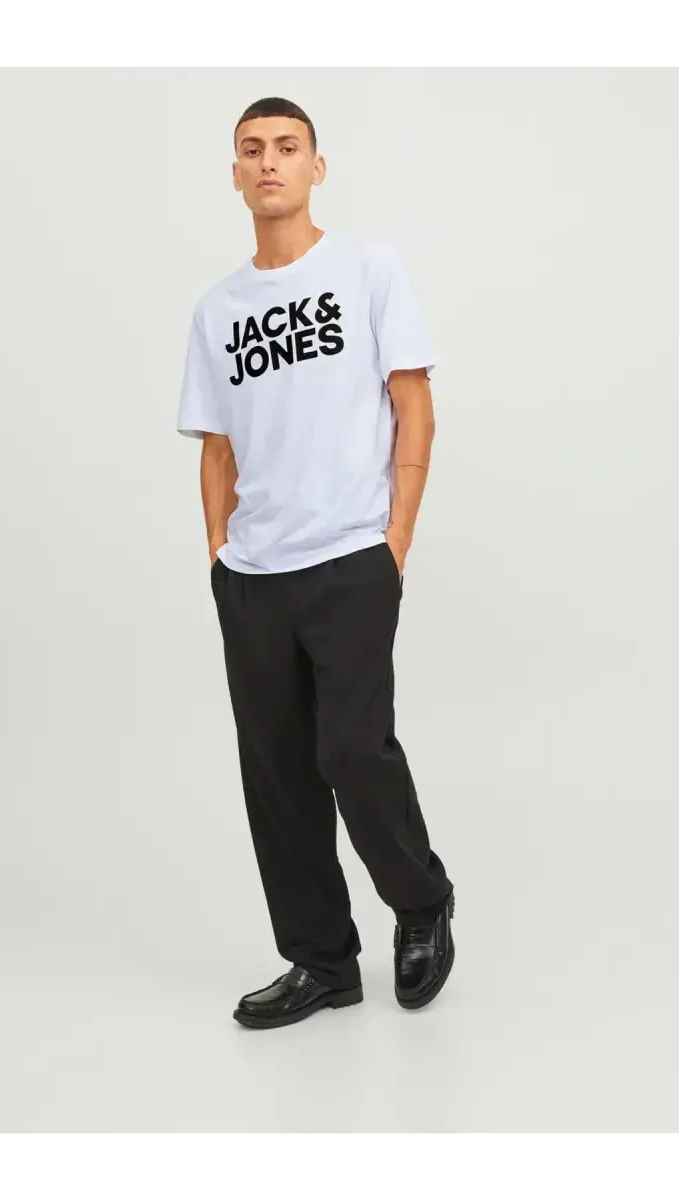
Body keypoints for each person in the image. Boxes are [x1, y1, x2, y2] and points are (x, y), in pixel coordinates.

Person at [176, 96, 455, 1030]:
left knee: (350, 749)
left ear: (315, 167)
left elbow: (412, 405)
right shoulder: (217, 310)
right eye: (252, 150)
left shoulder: (368, 269)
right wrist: (220, 557)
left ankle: (421, 903)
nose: (269, 162)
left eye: (286, 147)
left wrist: (395, 539)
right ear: (235, 174)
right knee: (278, 773)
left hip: (349, 557)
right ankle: (322, 960)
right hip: (253, 577)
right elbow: (216, 447)